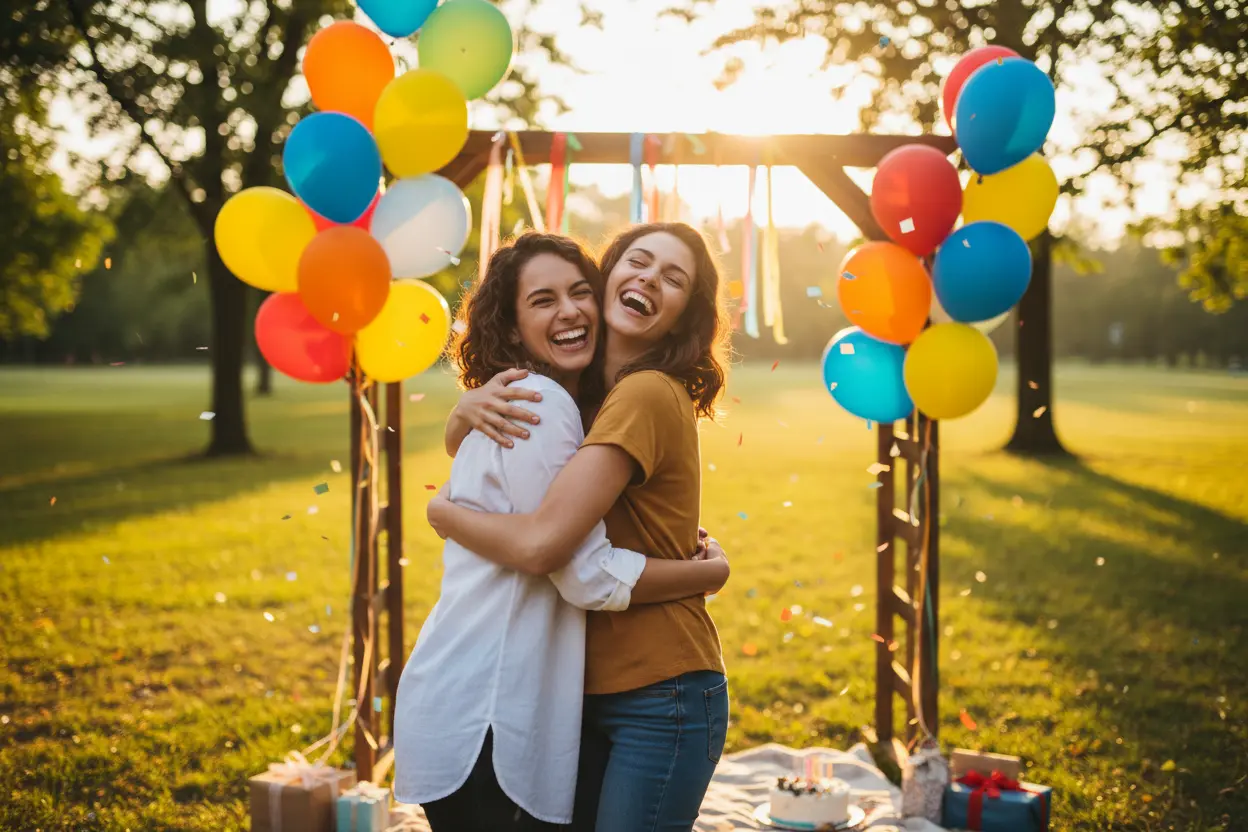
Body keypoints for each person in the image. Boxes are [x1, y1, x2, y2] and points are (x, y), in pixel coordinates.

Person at [393, 232, 730, 832]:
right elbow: (532, 514)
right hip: (568, 694)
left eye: (674, 279)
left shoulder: (636, 393)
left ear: (685, 315)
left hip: (658, 684)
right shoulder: (572, 400)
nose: (651, 280)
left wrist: (444, 514)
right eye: (639, 262)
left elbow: (549, 550)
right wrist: (459, 420)